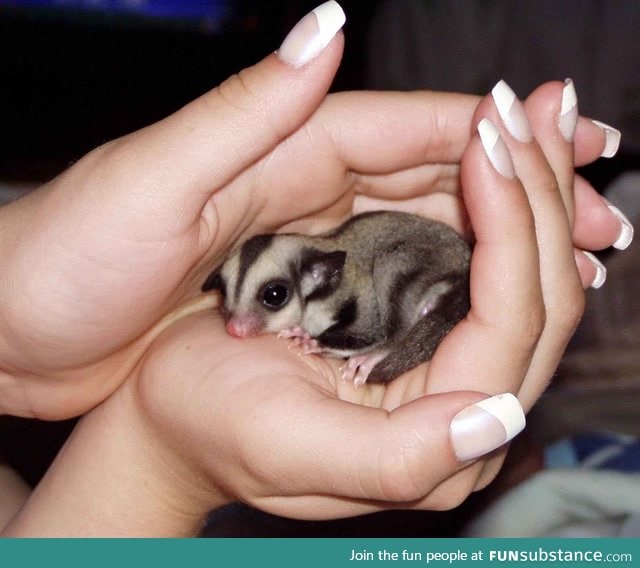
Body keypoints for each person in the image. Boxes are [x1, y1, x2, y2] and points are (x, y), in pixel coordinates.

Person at [0, 1, 631, 536]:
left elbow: (379, 318)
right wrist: (152, 449)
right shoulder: (318, 278)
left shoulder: (347, 281)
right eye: (235, 300)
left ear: (320, 277)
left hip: (422, 288)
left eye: (268, 299)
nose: (239, 326)